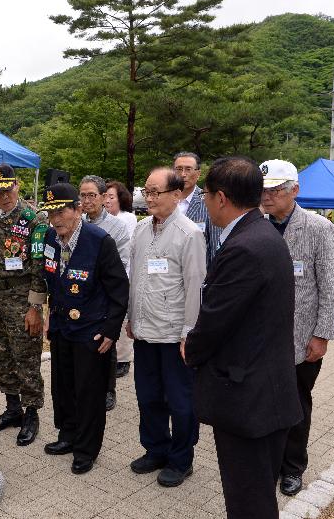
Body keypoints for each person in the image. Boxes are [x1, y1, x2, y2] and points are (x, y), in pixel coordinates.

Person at [184, 156, 302, 519]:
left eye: (205, 194)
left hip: (248, 396)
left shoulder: (243, 247)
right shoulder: (263, 234)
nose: (203, 202)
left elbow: (216, 319)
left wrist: (191, 347)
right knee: (256, 493)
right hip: (269, 389)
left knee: (248, 500)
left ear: (221, 197)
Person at [259, 159, 334, 497]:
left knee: (296, 403)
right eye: (263, 190)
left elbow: (333, 287)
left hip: (301, 337)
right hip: (262, 338)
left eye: (275, 189)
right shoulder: (258, 225)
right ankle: (267, 461)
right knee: (265, 402)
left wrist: (322, 334)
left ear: (295, 190)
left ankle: (292, 466)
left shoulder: (318, 228)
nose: (267, 196)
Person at [38, 183, 129, 474]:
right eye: (51, 213)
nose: (56, 219)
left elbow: (119, 288)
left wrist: (111, 330)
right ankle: (67, 435)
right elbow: (51, 279)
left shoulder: (99, 240)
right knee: (63, 387)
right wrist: (49, 313)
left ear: (77, 209)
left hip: (92, 329)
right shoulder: (52, 239)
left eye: (62, 212)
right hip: (63, 326)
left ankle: (87, 449)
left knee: (89, 392)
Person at [126, 167, 206, 487]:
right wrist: (130, 317)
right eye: (147, 192)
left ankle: (181, 458)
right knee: (148, 397)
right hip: (145, 331)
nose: (150, 198)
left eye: (155, 192)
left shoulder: (190, 234)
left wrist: (190, 333)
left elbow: (195, 287)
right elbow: (136, 279)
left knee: (180, 401)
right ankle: (156, 449)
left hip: (174, 335)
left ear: (176, 194)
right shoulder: (141, 229)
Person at [0, 164, 48, 446]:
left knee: (26, 356)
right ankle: (13, 407)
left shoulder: (34, 218)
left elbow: (40, 267)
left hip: (22, 298)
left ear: (17, 185)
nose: (3, 195)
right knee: (1, 355)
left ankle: (31, 413)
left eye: (7, 188)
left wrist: (35, 307)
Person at [79, 175, 130, 411]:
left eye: (92, 195)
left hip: (105, 294)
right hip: (80, 294)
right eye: (83, 195)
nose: (87, 200)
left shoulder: (117, 227)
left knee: (106, 344)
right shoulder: (76, 222)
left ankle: (109, 389)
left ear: (102, 198)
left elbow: (121, 264)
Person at [104, 179, 138, 379]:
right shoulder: (102, 219)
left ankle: (124, 359)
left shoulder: (127, 219)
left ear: (121, 199)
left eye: (111, 197)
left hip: (123, 274)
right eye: (105, 196)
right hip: (108, 275)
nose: (107, 201)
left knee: (122, 313)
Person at [173, 152, 222, 268]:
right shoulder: (165, 200)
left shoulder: (208, 200)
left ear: (198, 173)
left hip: (198, 274)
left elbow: (215, 245)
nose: (183, 174)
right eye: (179, 169)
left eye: (188, 169)